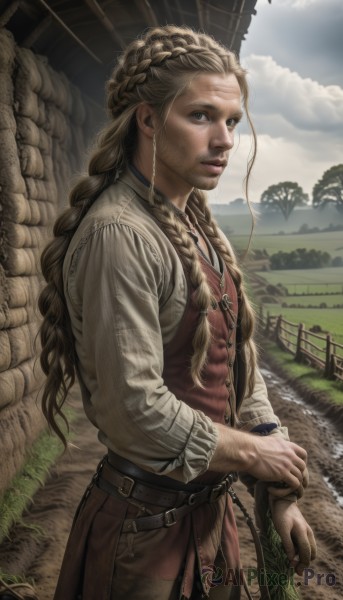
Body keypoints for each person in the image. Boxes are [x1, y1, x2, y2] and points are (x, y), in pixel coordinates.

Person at [38, 25, 316, 600]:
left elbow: (238, 367)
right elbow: (136, 406)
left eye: (232, 121)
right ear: (148, 119)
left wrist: (278, 488)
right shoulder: (121, 234)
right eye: (201, 116)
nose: (224, 140)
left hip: (209, 522)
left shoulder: (198, 228)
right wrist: (254, 453)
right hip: (142, 538)